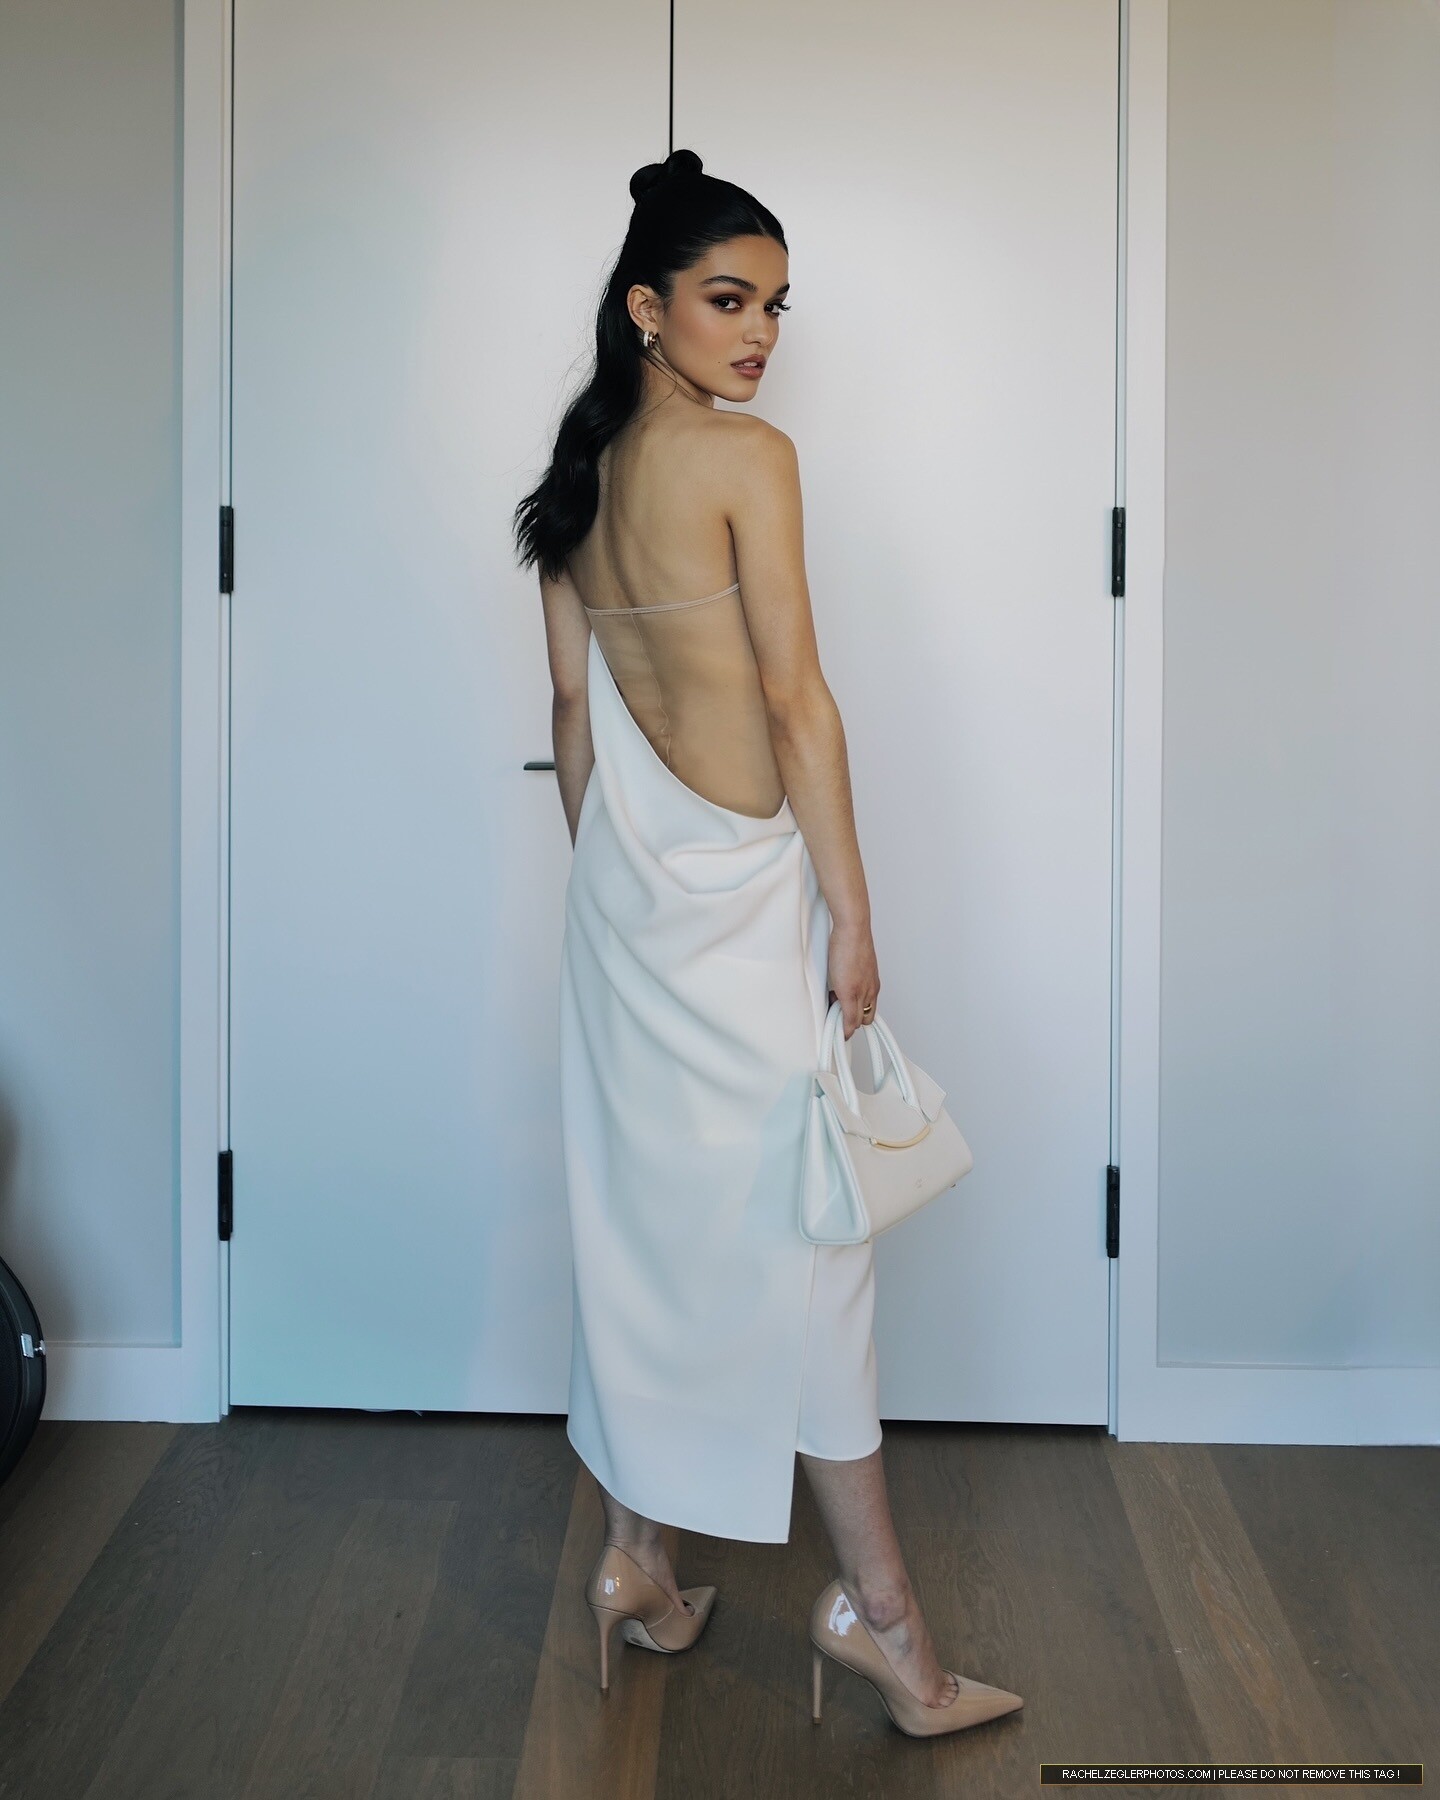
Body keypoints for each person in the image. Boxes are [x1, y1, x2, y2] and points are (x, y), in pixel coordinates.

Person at [513, 148, 1022, 1737]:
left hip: (627, 908)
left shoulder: (575, 482)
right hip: (742, 908)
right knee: (818, 1252)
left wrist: (618, 893)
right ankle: (888, 1631)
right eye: (728, 301)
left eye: (776, 307)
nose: (760, 335)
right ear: (645, 306)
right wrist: (854, 913)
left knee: (648, 1238)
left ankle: (637, 1567)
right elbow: (797, 700)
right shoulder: (746, 459)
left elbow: (573, 713)